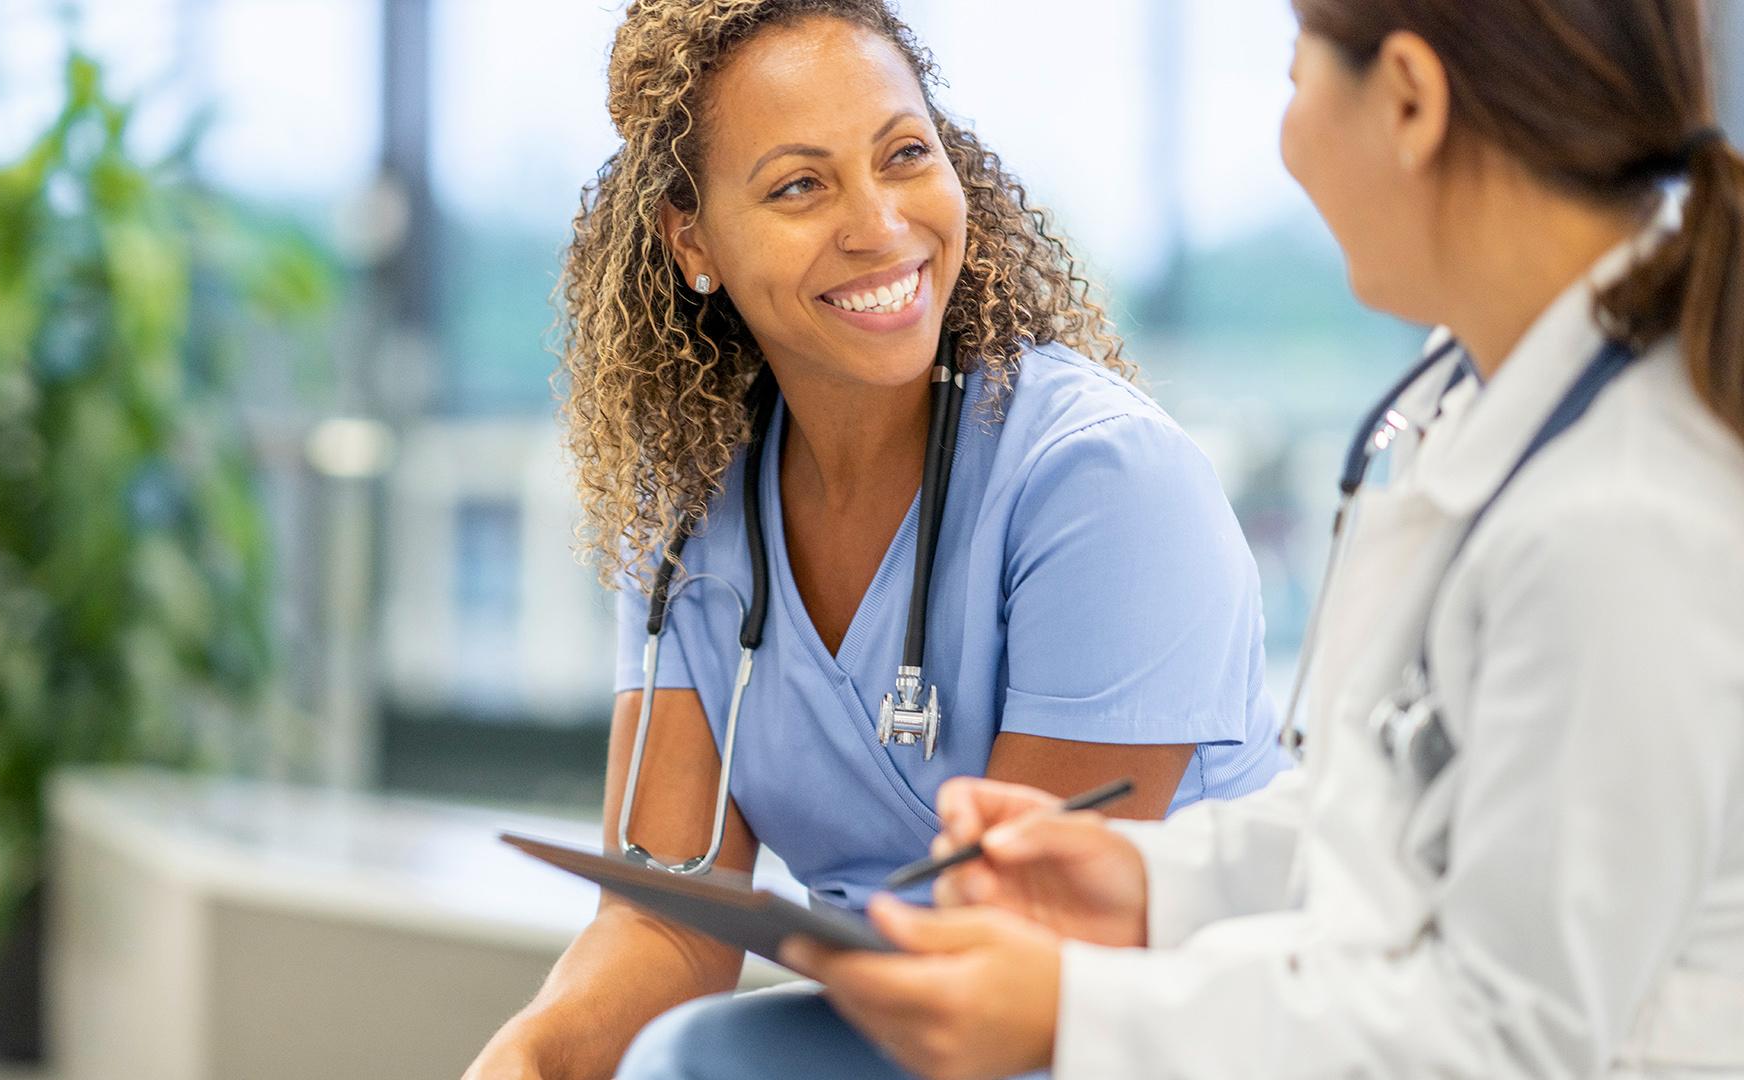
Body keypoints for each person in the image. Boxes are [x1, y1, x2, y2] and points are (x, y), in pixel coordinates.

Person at [625, 0, 1744, 1077]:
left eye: (1299, 74)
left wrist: (1079, 1010)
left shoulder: (1621, 518)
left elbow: (1504, 1038)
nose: (1289, 141)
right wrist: (1152, 879)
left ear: (1407, 100)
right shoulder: (1501, 418)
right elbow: (1399, 820)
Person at [462, 1, 1289, 1077]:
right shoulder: (692, 512)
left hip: (1138, 1040)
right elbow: (671, 917)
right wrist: (528, 1059)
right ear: (694, 238)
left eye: (904, 155)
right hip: (911, 1027)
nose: (878, 224)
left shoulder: (1100, 482)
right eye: (800, 185)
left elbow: (1026, 935)